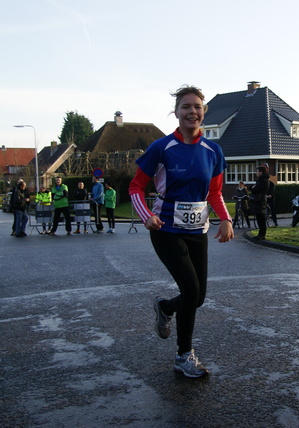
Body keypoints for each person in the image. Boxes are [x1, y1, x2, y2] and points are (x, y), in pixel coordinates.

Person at [129, 85, 233, 378]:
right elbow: (136, 186)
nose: (192, 112)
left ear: (203, 112)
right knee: (191, 289)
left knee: (197, 297)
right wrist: (146, 216)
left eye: (197, 107)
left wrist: (225, 219)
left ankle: (165, 306)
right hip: (165, 229)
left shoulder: (213, 150)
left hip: (197, 229)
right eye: (186, 107)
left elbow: (215, 192)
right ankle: (184, 356)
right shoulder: (162, 147)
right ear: (176, 113)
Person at [250, 165, 269, 240]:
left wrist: (253, 188)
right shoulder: (262, 180)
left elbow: (255, 189)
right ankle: (261, 233)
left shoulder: (263, 181)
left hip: (260, 201)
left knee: (261, 218)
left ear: (261, 172)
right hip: (259, 200)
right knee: (259, 217)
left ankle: (262, 234)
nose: (256, 173)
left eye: (257, 171)